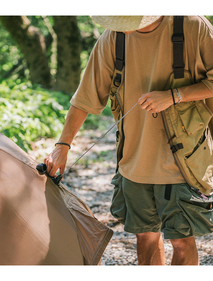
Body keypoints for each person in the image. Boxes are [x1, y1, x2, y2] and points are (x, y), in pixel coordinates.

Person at [44, 16, 213, 265]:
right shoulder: (114, 35)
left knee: (182, 242)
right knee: (144, 238)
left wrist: (174, 95)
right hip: (133, 162)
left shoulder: (193, 26)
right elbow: (84, 98)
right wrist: (62, 146)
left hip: (184, 162)